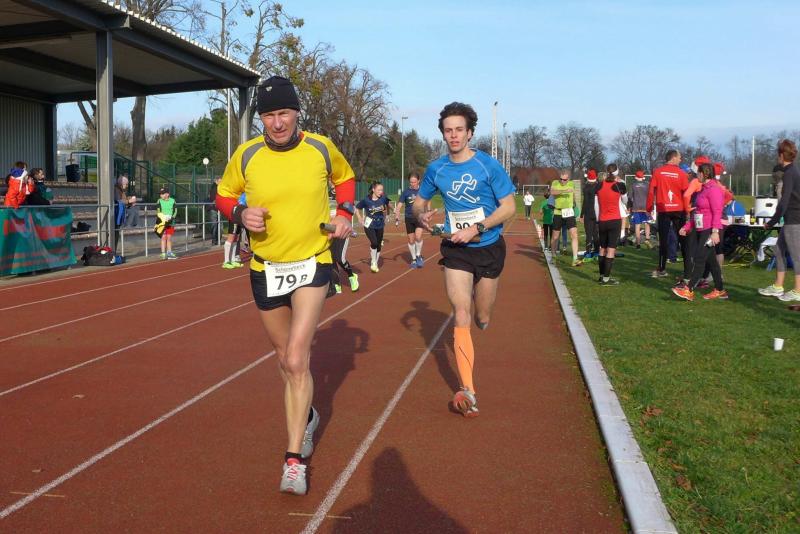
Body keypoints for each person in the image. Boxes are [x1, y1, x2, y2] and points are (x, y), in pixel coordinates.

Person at [214, 75, 355, 495]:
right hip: (265, 267)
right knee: (284, 358)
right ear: (261, 118)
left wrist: (344, 212)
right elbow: (223, 194)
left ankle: (293, 460)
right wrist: (239, 214)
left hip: (313, 261)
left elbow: (345, 178)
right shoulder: (247, 155)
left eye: (284, 113)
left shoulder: (320, 148)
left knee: (296, 358)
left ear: (297, 113)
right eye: (269, 115)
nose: (277, 123)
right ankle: (307, 415)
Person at [413, 101, 515, 418]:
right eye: (448, 130)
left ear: (470, 133)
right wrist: (422, 215)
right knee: (461, 312)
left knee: (481, 317)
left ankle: (481, 316)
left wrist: (478, 227)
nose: (454, 135)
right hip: (456, 248)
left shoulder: (488, 166)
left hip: (488, 246)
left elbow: (509, 207)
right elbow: (418, 203)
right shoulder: (437, 169)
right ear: (443, 134)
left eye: (459, 130)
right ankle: (468, 389)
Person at [671, 163, 728, 300]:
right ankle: (720, 290)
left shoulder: (714, 190)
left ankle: (689, 290)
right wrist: (687, 226)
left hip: (710, 230)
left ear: (704, 173)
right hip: (701, 229)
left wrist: (715, 232)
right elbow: (698, 211)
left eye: (698, 173)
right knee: (712, 261)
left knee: (699, 258)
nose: (696, 176)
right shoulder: (703, 189)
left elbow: (717, 211)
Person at [759, 139, 800, 302]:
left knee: (796, 256)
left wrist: (771, 222)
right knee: (778, 249)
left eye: (778, 154)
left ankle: (798, 290)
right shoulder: (792, 170)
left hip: (794, 219)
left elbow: (784, 201)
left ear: (782, 155)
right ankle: (778, 286)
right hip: (790, 219)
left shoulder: (789, 173)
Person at [648, 150, 689, 278]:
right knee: (683, 239)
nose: (680, 160)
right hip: (679, 209)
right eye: (679, 157)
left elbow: (651, 191)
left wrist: (649, 207)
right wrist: (687, 210)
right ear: (673, 158)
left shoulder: (658, 172)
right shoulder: (681, 174)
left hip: (664, 209)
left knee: (663, 239)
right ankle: (687, 271)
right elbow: (686, 193)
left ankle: (661, 269)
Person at [594, 164, 627, 285]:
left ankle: (601, 276)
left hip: (602, 220)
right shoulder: (619, 185)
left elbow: (596, 199)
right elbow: (625, 201)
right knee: (611, 250)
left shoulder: (599, 185)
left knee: (602, 248)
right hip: (614, 220)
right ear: (617, 172)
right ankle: (606, 279)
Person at [356, 181, 391, 273]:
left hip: (380, 224)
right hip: (369, 224)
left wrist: (390, 213)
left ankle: (375, 261)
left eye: (382, 190)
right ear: (373, 190)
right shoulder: (366, 200)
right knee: (374, 242)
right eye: (379, 190)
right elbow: (357, 208)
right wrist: (359, 218)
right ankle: (374, 262)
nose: (381, 192)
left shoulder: (383, 198)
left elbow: (388, 204)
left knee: (378, 244)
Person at [550, 169, 582, 266]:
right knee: (555, 236)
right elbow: (553, 192)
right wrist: (564, 190)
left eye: (564, 180)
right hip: (558, 212)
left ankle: (575, 259)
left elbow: (573, 195)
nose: (562, 181)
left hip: (569, 212)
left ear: (568, 179)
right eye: (561, 179)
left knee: (574, 234)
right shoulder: (555, 183)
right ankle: (553, 256)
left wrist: (575, 206)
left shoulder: (571, 184)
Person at [395, 172, 426, 268]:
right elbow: (399, 204)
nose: (412, 184)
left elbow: (427, 201)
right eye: (411, 182)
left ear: (418, 181)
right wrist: (397, 214)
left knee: (418, 236)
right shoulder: (406, 192)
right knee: (411, 240)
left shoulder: (422, 191)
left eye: (414, 182)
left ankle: (418, 255)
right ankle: (413, 259)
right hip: (409, 218)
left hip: (419, 217)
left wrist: (428, 212)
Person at [222, 193, 247, 269]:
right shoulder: (244, 194)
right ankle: (226, 261)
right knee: (231, 237)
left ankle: (233, 260)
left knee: (236, 238)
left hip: (240, 215)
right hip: (235, 215)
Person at [580, 168, 599, 260]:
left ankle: (588, 252)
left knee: (588, 234)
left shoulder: (585, 188)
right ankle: (596, 252)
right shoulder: (598, 187)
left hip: (588, 212)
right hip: (596, 212)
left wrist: (581, 215)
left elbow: (585, 202)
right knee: (596, 234)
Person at [628, 170, 650, 248]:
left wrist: (629, 207)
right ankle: (647, 240)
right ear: (643, 176)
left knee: (637, 225)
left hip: (636, 207)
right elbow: (650, 196)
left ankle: (638, 244)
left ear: (636, 177)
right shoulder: (647, 185)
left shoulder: (633, 185)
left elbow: (630, 197)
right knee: (647, 223)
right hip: (646, 207)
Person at [156, 187, 178, 260]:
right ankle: (163, 253)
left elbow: (175, 211)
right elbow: (158, 211)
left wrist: (172, 217)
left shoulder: (173, 201)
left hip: (171, 222)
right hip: (162, 222)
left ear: (167, 194)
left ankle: (169, 253)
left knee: (169, 238)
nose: (161, 195)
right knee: (163, 237)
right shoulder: (159, 201)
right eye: (160, 194)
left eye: (162, 194)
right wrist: (163, 217)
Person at [208, 176, 221, 245]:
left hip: (218, 208)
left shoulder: (217, 188)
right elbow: (213, 198)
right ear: (216, 181)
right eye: (220, 181)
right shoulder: (214, 188)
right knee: (215, 224)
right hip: (214, 208)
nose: (221, 183)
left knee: (218, 224)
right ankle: (214, 239)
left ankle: (217, 239)